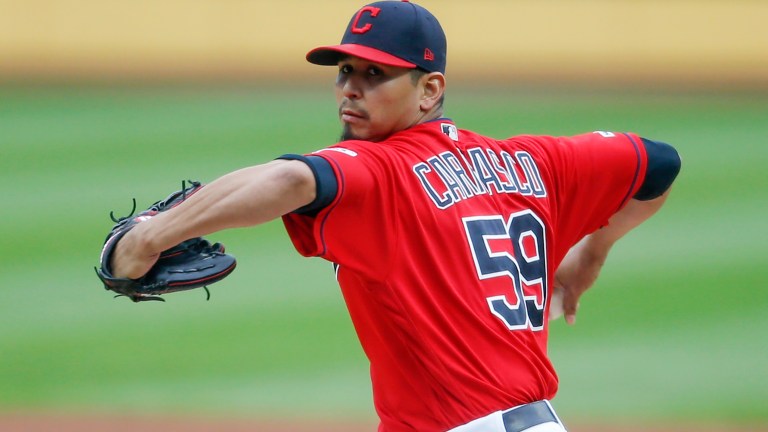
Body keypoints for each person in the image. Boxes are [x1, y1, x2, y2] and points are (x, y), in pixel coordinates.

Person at [109, 1, 681, 431]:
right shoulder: (535, 161)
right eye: (345, 72)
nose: (351, 90)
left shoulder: (381, 171)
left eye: (375, 75)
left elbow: (288, 179)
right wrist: (591, 253)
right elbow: (658, 162)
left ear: (430, 89)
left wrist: (150, 238)